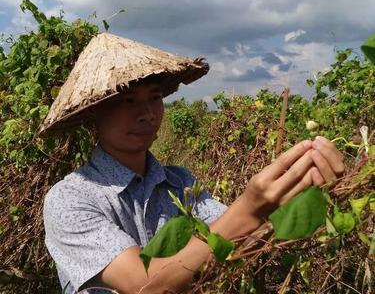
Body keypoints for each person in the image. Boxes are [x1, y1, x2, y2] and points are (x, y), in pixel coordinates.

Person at [41, 33, 345, 294]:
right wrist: (251, 206)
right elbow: (144, 285)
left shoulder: (179, 182)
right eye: (126, 100)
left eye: (155, 97)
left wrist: (297, 188)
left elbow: (239, 237)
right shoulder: (70, 199)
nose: (147, 113)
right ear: (93, 112)